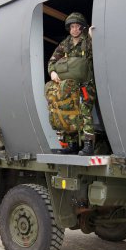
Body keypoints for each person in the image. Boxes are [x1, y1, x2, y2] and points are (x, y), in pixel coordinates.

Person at [45, 12, 96, 155]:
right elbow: (52, 61)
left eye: (77, 27)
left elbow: (97, 53)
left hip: (85, 85)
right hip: (69, 87)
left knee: (85, 112)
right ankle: (72, 144)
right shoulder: (65, 44)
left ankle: (88, 144)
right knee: (68, 112)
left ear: (82, 28)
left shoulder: (87, 41)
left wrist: (92, 37)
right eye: (72, 27)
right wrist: (53, 72)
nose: (74, 29)